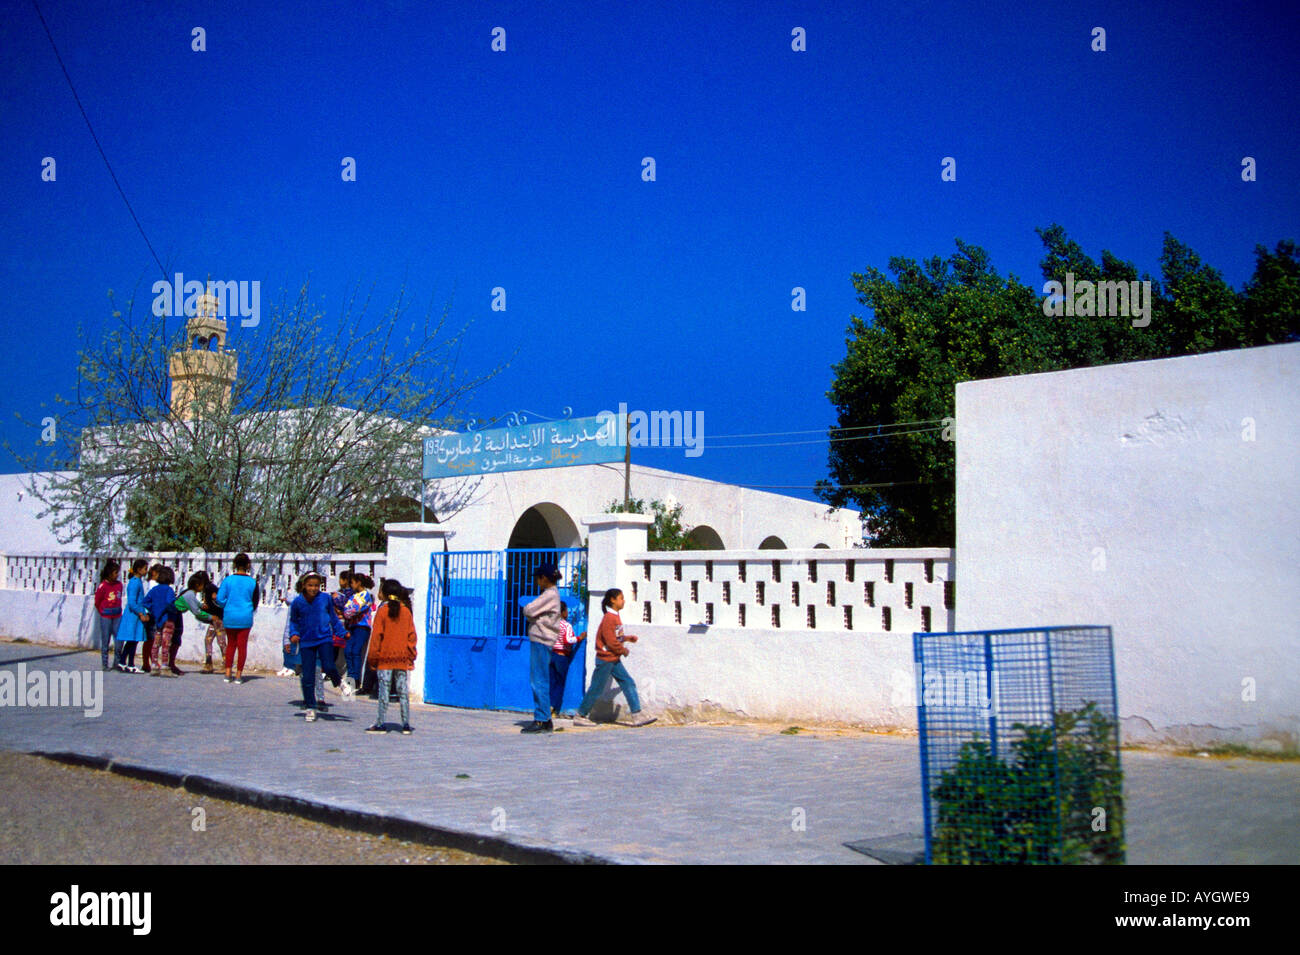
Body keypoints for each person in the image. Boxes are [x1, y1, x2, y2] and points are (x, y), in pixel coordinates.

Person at [572, 589, 656, 727]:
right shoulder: (609, 618)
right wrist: (623, 650)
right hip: (606, 659)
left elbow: (615, 636)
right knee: (596, 688)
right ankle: (581, 715)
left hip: (613, 659)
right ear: (613, 600)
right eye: (621, 598)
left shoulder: (614, 617)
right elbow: (610, 641)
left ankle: (637, 714)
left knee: (628, 682)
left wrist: (627, 638)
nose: (623, 601)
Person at [288, 572, 345, 722]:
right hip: (307, 641)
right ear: (304, 585)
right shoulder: (297, 602)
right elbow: (293, 622)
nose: (313, 589)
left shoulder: (325, 598)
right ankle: (311, 707)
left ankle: (340, 683)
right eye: (310, 585)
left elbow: (333, 618)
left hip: (324, 638)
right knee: (307, 676)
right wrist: (293, 634)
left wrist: (342, 632)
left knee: (329, 666)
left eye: (316, 586)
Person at [364, 579, 416, 735]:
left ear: (385, 594)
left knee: (384, 692)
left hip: (384, 659)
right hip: (401, 658)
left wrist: (373, 658)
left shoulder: (382, 611)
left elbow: (376, 638)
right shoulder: (406, 611)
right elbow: (412, 637)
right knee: (403, 691)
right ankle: (406, 725)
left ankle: (380, 724)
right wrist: (411, 657)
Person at [520, 563, 563, 734]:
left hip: (542, 639)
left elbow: (528, 610)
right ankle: (545, 719)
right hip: (543, 640)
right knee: (541, 679)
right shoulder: (553, 594)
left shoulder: (549, 594)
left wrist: (533, 616)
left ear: (544, 578)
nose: (537, 582)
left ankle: (541, 719)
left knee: (538, 680)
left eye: (538, 578)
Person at [215, 552, 260, 684]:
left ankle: (228, 672)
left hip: (230, 616)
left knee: (231, 645)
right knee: (242, 646)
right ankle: (239, 675)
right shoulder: (252, 582)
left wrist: (227, 604)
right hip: (245, 617)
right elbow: (255, 602)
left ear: (234, 565)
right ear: (248, 565)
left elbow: (219, 599)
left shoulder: (228, 580)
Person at [342, 573, 376, 699]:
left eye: (353, 582)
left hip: (362, 627)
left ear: (359, 583)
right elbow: (346, 610)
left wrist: (349, 611)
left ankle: (355, 679)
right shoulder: (353, 596)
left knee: (356, 651)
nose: (351, 585)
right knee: (348, 650)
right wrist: (348, 611)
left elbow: (353, 609)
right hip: (352, 626)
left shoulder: (365, 595)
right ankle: (350, 676)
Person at [549, 601, 585, 717]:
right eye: (566, 610)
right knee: (560, 684)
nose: (568, 612)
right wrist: (579, 638)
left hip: (552, 655)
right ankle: (554, 708)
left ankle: (549, 706)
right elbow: (568, 640)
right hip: (562, 656)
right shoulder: (566, 625)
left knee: (552, 683)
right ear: (562, 612)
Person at [143, 566, 180, 676]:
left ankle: (154, 665)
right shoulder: (169, 590)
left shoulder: (154, 590)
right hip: (168, 619)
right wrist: (175, 609)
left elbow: (145, 602)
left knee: (156, 643)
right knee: (166, 643)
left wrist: (154, 609)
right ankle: (164, 666)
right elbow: (169, 603)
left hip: (157, 619)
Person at [116, 558, 149, 672]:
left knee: (132, 640)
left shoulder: (137, 581)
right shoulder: (135, 582)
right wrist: (140, 614)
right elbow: (132, 602)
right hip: (133, 615)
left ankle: (124, 662)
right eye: (145, 569)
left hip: (136, 615)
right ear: (139, 569)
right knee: (132, 640)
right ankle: (129, 664)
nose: (146, 571)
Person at [92, 559, 123, 671]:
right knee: (105, 640)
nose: (117, 575)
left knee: (119, 641)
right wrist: (103, 611)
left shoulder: (119, 585)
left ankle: (117, 663)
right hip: (106, 617)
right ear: (109, 573)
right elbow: (97, 602)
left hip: (117, 616)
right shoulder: (103, 586)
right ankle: (105, 664)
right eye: (115, 573)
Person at [198, 574, 227, 674]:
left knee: (221, 641)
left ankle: (226, 664)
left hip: (218, 619)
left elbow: (217, 601)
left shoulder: (210, 588)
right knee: (208, 639)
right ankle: (208, 663)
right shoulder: (207, 589)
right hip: (214, 620)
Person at [139, 563, 162, 673]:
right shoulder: (153, 584)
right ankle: (149, 662)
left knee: (151, 640)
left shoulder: (151, 583)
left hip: (152, 613)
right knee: (151, 640)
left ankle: (148, 662)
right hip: (151, 614)